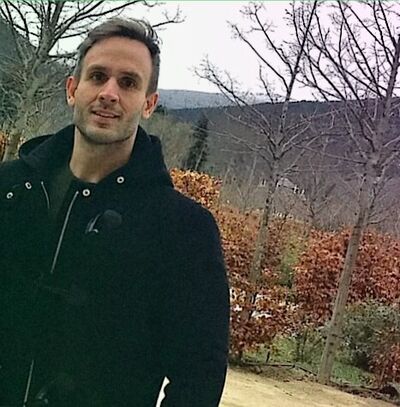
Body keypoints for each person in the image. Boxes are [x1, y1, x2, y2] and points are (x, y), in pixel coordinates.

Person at [0, 18, 230, 406]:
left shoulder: (182, 229)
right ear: (72, 89)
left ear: (149, 103)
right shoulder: (10, 190)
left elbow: (198, 375)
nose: (109, 93)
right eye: (97, 76)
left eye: (128, 83)